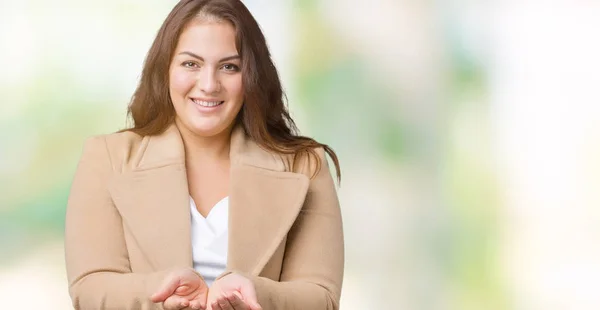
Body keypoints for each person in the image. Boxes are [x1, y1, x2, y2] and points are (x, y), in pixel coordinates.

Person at [64, 0, 344, 309]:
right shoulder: (107, 157)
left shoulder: (305, 164)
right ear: (165, 68)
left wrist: (254, 291)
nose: (209, 85)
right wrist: (162, 293)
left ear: (251, 75)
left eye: (229, 67)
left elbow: (322, 296)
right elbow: (89, 287)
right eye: (191, 64)